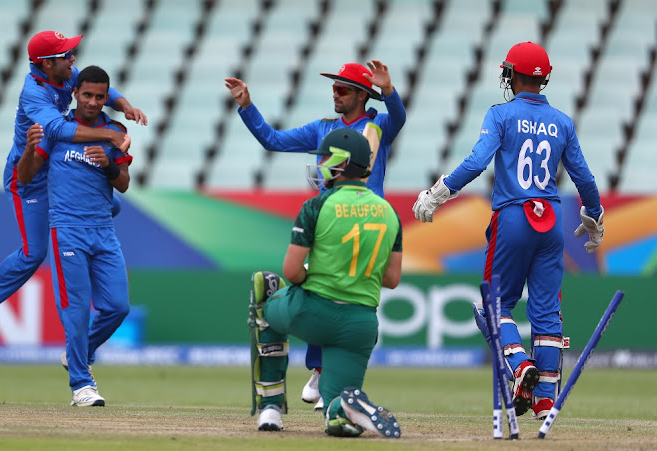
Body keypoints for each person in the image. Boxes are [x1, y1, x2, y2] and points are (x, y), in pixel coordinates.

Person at [412, 41, 605, 420]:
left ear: (510, 74)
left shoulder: (500, 115)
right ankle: (545, 402)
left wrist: (437, 194)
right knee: (548, 314)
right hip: (551, 219)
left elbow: (477, 161)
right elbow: (583, 176)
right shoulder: (563, 122)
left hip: (513, 214)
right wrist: (594, 216)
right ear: (544, 79)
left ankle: (519, 366)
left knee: (495, 305)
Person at [226, 60, 406, 408]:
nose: (335, 95)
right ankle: (325, 374)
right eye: (334, 89)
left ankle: (326, 375)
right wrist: (246, 105)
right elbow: (273, 140)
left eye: (343, 90)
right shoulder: (324, 127)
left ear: (361, 95)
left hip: (369, 220)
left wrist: (388, 90)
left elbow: (398, 118)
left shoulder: (379, 124)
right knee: (327, 290)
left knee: (336, 291)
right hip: (332, 218)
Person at [0, 30, 146, 349]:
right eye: (65, 54)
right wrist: (110, 137)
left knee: (109, 206)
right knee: (34, 253)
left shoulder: (63, 71)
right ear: (46, 64)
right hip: (30, 175)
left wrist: (125, 106)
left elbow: (101, 87)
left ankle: (88, 247)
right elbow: (59, 130)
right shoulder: (33, 91)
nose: (72, 58)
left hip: (58, 169)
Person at [248, 128, 403, 437]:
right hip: (360, 325)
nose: (321, 164)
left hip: (314, 312)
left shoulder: (317, 206)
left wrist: (315, 275)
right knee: (337, 416)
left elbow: (290, 272)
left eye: (325, 158)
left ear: (342, 163)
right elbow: (392, 279)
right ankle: (343, 410)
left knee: (264, 287)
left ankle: (271, 408)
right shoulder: (389, 212)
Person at [17, 65, 132, 406]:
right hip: (67, 231)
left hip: (103, 231)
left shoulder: (115, 130)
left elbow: (123, 182)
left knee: (117, 307)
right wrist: (27, 149)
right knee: (77, 310)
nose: (94, 102)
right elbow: (25, 178)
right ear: (75, 93)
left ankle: (80, 352)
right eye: (87, 95)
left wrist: (108, 166)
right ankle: (81, 384)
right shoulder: (56, 130)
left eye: (100, 96)